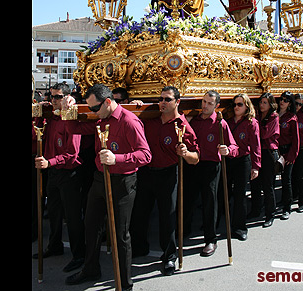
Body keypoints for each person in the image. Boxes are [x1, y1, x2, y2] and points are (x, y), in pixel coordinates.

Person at [62, 84, 152, 291]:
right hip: (100, 179)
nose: (93, 112)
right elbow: (75, 128)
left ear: (108, 102)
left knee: (120, 234)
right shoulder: (101, 119)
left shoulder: (129, 121)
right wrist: (68, 111)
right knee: (92, 226)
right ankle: (91, 268)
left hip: (123, 182)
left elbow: (145, 155)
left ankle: (124, 282)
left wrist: (116, 158)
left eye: (95, 108)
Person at [130, 86, 199, 275]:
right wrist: (136, 107)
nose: (162, 102)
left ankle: (169, 256)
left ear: (177, 102)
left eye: (167, 99)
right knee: (140, 213)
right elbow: (130, 117)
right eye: (160, 99)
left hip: (168, 174)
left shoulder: (183, 126)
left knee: (167, 217)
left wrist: (185, 153)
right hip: (146, 173)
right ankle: (140, 247)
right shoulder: (149, 119)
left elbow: (196, 158)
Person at [32, 83, 85, 275]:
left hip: (68, 172)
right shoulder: (51, 116)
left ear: (68, 97)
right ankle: (54, 245)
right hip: (53, 171)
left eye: (58, 97)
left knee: (71, 216)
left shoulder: (71, 116)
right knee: (53, 211)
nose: (54, 100)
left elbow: (72, 153)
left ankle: (79, 255)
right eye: (52, 96)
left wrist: (50, 162)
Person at [184, 90, 238, 257]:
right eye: (204, 102)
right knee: (188, 198)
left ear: (216, 105)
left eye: (209, 103)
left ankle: (210, 239)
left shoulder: (220, 124)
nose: (205, 105)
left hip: (211, 166)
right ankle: (184, 229)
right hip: (194, 164)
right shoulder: (195, 121)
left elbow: (234, 146)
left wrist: (227, 150)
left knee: (209, 202)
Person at [223, 93, 261, 240]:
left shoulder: (252, 123)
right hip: (228, 159)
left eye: (240, 104)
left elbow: (256, 145)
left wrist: (256, 166)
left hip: (242, 160)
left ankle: (239, 227)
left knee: (240, 195)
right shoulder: (228, 121)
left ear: (246, 106)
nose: (236, 107)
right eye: (235, 104)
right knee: (224, 192)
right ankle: (223, 223)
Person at [248, 93, 280, 227]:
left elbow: (265, 133)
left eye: (265, 102)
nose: (262, 105)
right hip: (257, 150)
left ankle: (270, 214)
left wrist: (254, 127)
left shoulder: (274, 117)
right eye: (261, 102)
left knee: (268, 185)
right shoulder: (258, 116)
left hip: (268, 152)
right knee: (254, 183)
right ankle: (255, 209)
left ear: (271, 104)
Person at [277, 92, 300, 220]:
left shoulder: (292, 118)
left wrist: (291, 157)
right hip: (276, 152)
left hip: (287, 151)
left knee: (286, 180)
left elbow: (296, 140)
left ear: (290, 103)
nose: (282, 102)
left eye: (286, 100)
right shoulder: (274, 115)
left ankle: (287, 207)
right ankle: (282, 201)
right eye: (281, 99)